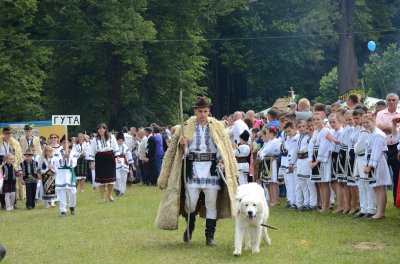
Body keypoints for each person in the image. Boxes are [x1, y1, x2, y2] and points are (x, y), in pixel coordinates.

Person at [155, 96, 237, 247]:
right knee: (190, 202)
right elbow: (178, 153)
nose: (203, 114)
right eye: (200, 111)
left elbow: (223, 147)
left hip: (211, 168)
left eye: (205, 111)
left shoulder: (217, 126)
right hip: (192, 168)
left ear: (209, 111)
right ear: (195, 111)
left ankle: (210, 236)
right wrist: (182, 144)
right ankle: (190, 224)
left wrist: (221, 162)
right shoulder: (185, 126)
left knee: (211, 203)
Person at [363, 114, 392, 220]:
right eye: (364, 122)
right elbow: (368, 151)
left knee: (380, 187)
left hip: (378, 161)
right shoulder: (370, 133)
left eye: (367, 122)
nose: (366, 124)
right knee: (376, 187)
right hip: (372, 161)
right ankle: (378, 210)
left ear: (373, 121)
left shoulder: (378, 134)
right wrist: (366, 164)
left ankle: (381, 212)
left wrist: (370, 166)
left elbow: (376, 152)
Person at [375, 93, 400, 205]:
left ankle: (396, 201)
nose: (391, 102)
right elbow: (378, 129)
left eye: (393, 100)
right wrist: (393, 128)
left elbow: (395, 133)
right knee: (380, 175)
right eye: (389, 100)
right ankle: (378, 203)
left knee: (396, 175)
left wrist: (386, 128)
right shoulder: (380, 113)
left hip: (396, 146)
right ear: (386, 101)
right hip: (383, 146)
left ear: (397, 101)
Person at [88, 123, 120, 202]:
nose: (100, 130)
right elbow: (92, 150)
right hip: (99, 158)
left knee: (111, 178)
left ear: (105, 129)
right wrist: (92, 162)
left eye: (101, 129)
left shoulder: (111, 137)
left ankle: (110, 195)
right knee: (101, 179)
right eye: (99, 129)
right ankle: (102, 197)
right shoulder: (94, 139)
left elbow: (115, 147)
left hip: (110, 157)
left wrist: (118, 157)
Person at [353, 110, 375, 218]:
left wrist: (355, 146)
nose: (356, 121)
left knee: (367, 185)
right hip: (359, 159)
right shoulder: (359, 130)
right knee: (361, 185)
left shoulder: (365, 132)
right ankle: (364, 208)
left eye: (358, 118)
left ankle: (371, 209)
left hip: (364, 159)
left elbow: (358, 148)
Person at [309, 112, 332, 212]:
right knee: (320, 183)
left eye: (318, 119)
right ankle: (323, 205)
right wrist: (310, 160)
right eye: (314, 120)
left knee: (324, 182)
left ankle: (326, 206)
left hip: (323, 158)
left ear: (322, 120)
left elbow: (324, 146)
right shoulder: (315, 132)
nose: (316, 121)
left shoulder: (326, 130)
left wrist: (317, 161)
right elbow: (311, 145)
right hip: (315, 156)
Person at [294, 120, 316, 211]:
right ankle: (306, 202)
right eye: (299, 127)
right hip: (299, 161)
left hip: (307, 159)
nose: (301, 128)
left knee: (310, 183)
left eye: (303, 126)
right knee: (302, 183)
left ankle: (313, 203)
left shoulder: (309, 136)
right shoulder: (298, 137)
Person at [0, 126, 23, 209]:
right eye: (6, 133)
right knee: (2, 185)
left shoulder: (15, 143)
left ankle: (13, 203)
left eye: (9, 133)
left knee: (13, 184)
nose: (8, 135)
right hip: (2, 165)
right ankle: (4, 203)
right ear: (3, 134)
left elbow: (18, 156)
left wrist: (18, 167)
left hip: (12, 164)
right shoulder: (0, 142)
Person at [258, 127, 280, 206]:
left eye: (267, 133)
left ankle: (275, 200)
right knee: (269, 182)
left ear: (271, 133)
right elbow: (263, 150)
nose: (266, 135)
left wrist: (261, 154)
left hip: (272, 161)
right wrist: (261, 153)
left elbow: (268, 150)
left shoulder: (275, 141)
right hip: (267, 161)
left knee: (273, 182)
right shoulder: (270, 141)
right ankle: (271, 199)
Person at [55, 136, 77, 217]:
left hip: (69, 173)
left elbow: (74, 163)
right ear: (61, 143)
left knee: (73, 193)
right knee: (61, 193)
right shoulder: (57, 151)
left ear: (70, 143)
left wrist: (69, 159)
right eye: (64, 142)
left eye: (67, 142)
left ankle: (72, 206)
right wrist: (64, 157)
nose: (65, 144)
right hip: (61, 174)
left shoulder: (73, 152)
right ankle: (63, 210)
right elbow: (56, 163)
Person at [284, 122, 299, 210]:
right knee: (290, 184)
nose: (288, 133)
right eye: (287, 132)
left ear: (294, 128)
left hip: (294, 163)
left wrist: (291, 164)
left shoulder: (296, 138)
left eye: (289, 131)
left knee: (295, 184)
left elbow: (294, 152)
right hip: (289, 161)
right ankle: (292, 202)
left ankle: (296, 202)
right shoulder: (289, 138)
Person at [115, 131, 134, 196]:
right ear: (116, 140)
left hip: (125, 163)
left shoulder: (125, 147)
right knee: (117, 177)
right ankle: (118, 189)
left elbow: (129, 156)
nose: (120, 142)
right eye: (119, 140)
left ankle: (122, 191)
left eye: (122, 140)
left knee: (124, 178)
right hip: (117, 162)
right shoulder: (114, 147)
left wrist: (133, 165)